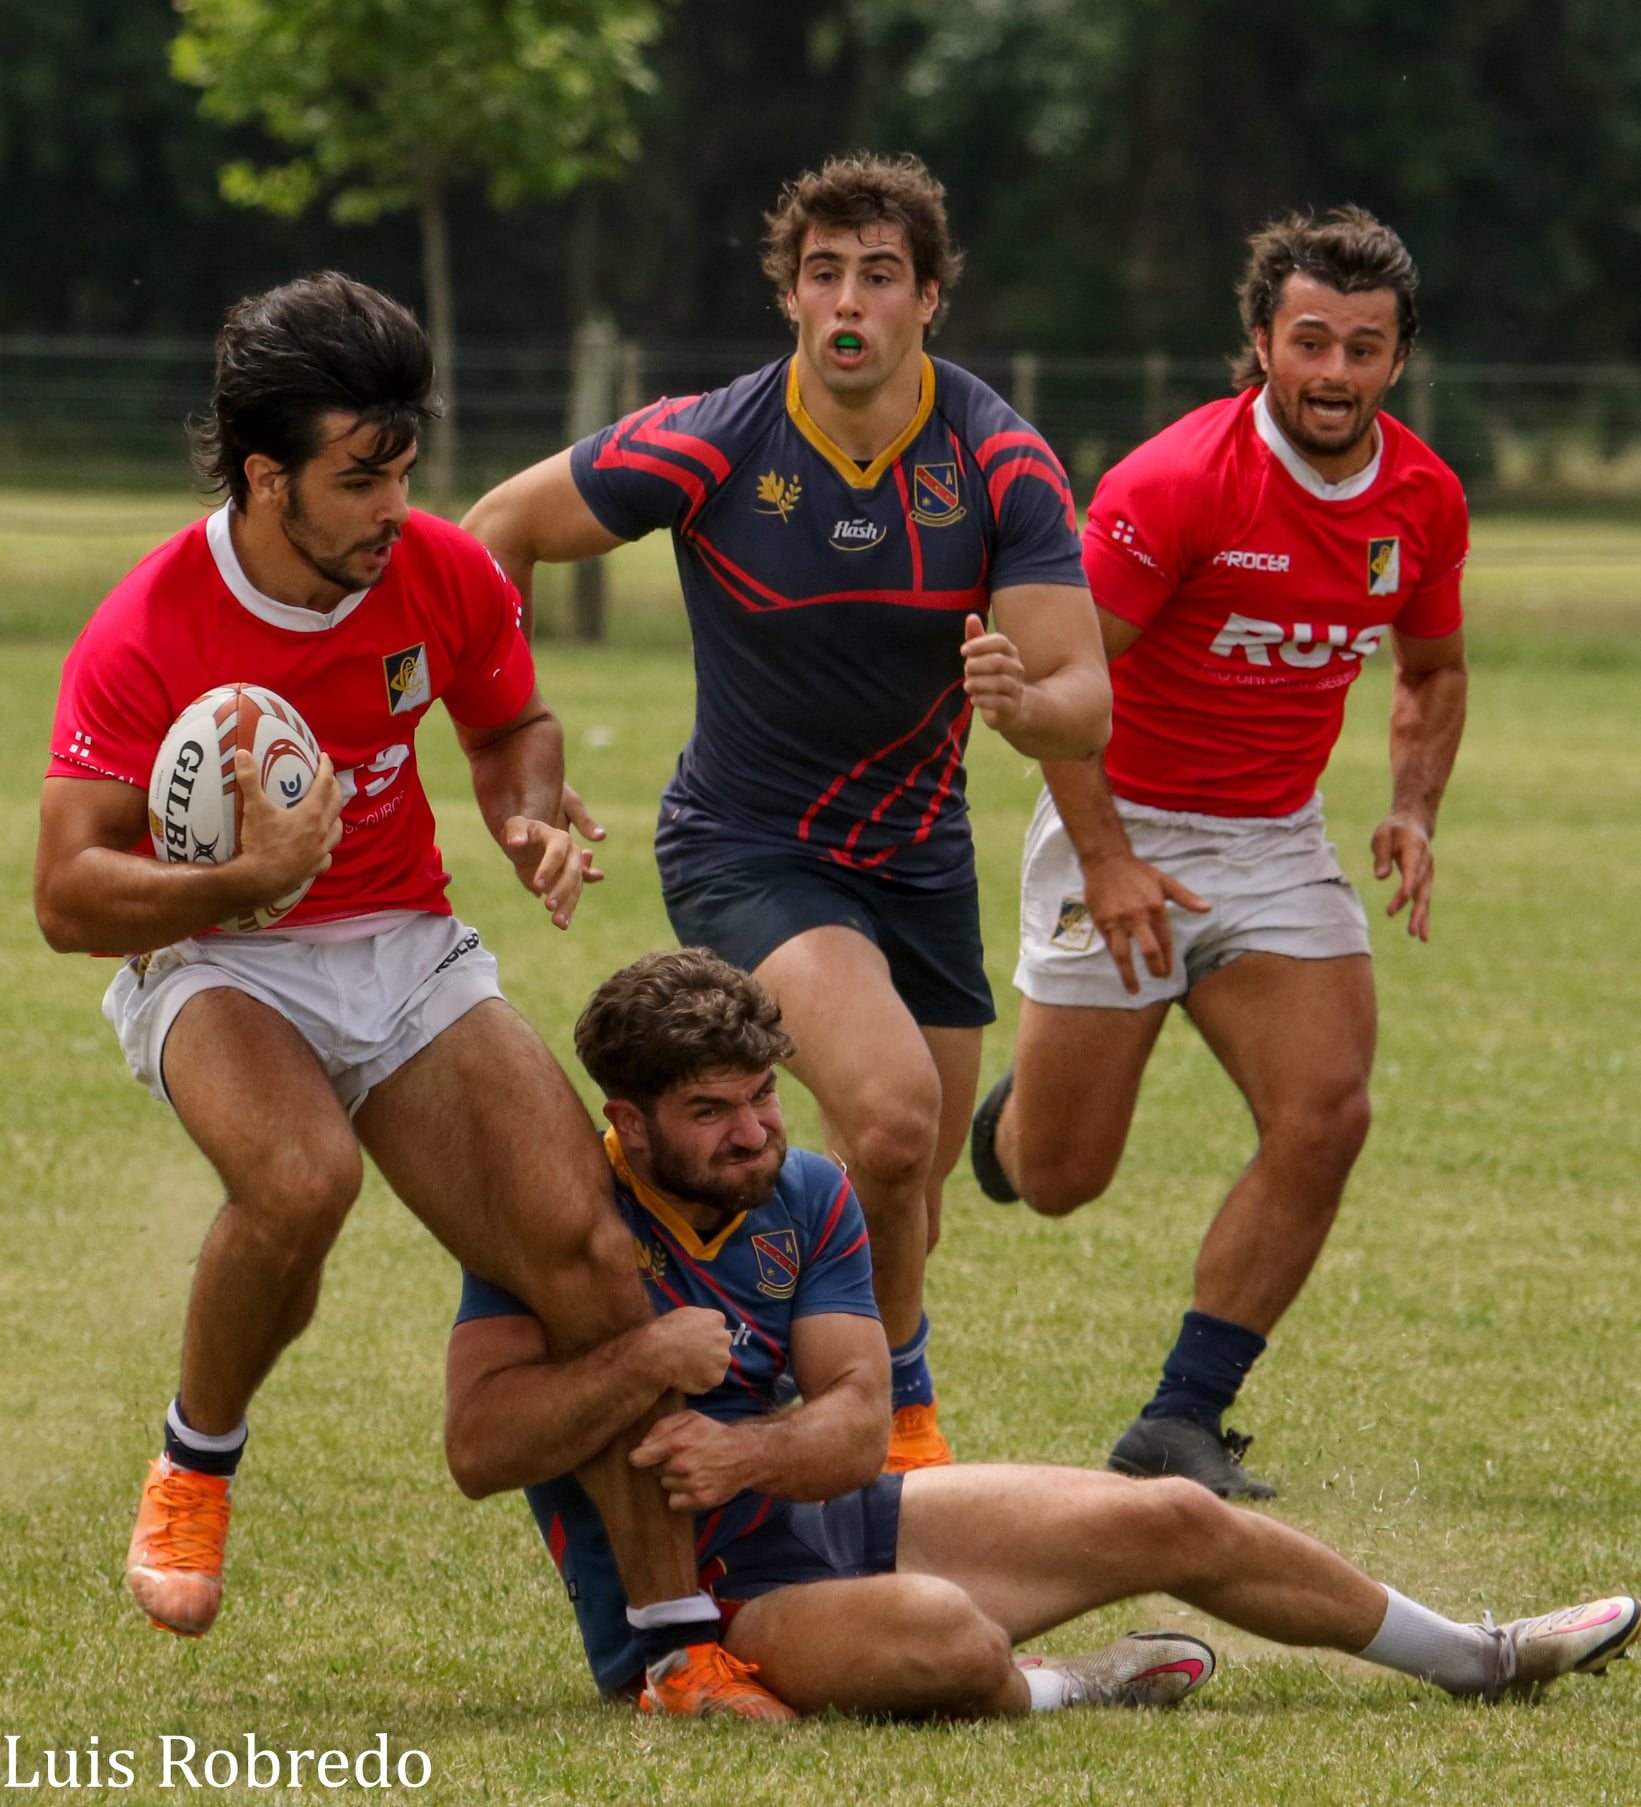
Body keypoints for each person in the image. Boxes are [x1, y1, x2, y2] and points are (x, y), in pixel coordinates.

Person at [32, 273, 790, 1719]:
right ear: (267, 477)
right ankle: (197, 1458)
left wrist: (528, 810)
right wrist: (237, 878)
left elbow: (511, 719)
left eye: (403, 467)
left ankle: (678, 1641)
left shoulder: (440, 569)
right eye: (357, 476)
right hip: (214, 954)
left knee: (589, 1251)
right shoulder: (147, 630)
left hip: (403, 942)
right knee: (300, 1178)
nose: (395, 504)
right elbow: (69, 894)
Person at [445, 950, 1638, 1718]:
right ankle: (1074, 1686)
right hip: (715, 1608)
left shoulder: (807, 1191)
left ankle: (1480, 1658)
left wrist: (749, 1454)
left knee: (1175, 1514)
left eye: (764, 1095)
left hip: (840, 1518)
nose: (756, 1132)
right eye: (712, 1112)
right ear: (629, 1121)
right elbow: (478, 1446)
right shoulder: (559, 1227)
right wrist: (647, 1361)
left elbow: (861, 1425)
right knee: (942, 1637)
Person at [461, 154, 1112, 1473]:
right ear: (791, 295)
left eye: (879, 273)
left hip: (920, 859)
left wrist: (1019, 704)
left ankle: (835, 1379)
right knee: (887, 1117)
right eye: (823, 273)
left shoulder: (999, 459)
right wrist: (513, 752)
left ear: (928, 298)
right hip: (746, 842)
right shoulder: (709, 439)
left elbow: (1084, 697)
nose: (847, 299)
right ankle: (892, 1425)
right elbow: (493, 531)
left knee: (903, 1179)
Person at [969, 208, 1470, 1500]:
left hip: (1272, 842)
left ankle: (1180, 1416)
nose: (1334, 372)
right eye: (1310, 341)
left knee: (1327, 1113)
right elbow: (1067, 686)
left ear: (1397, 359)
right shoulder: (1173, 484)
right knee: (1062, 1176)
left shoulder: (1420, 498)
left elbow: (1431, 668)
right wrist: (1109, 858)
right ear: (1260, 343)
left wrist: (1411, 807)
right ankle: (1012, 1126)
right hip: (1118, 819)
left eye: (1363, 348)